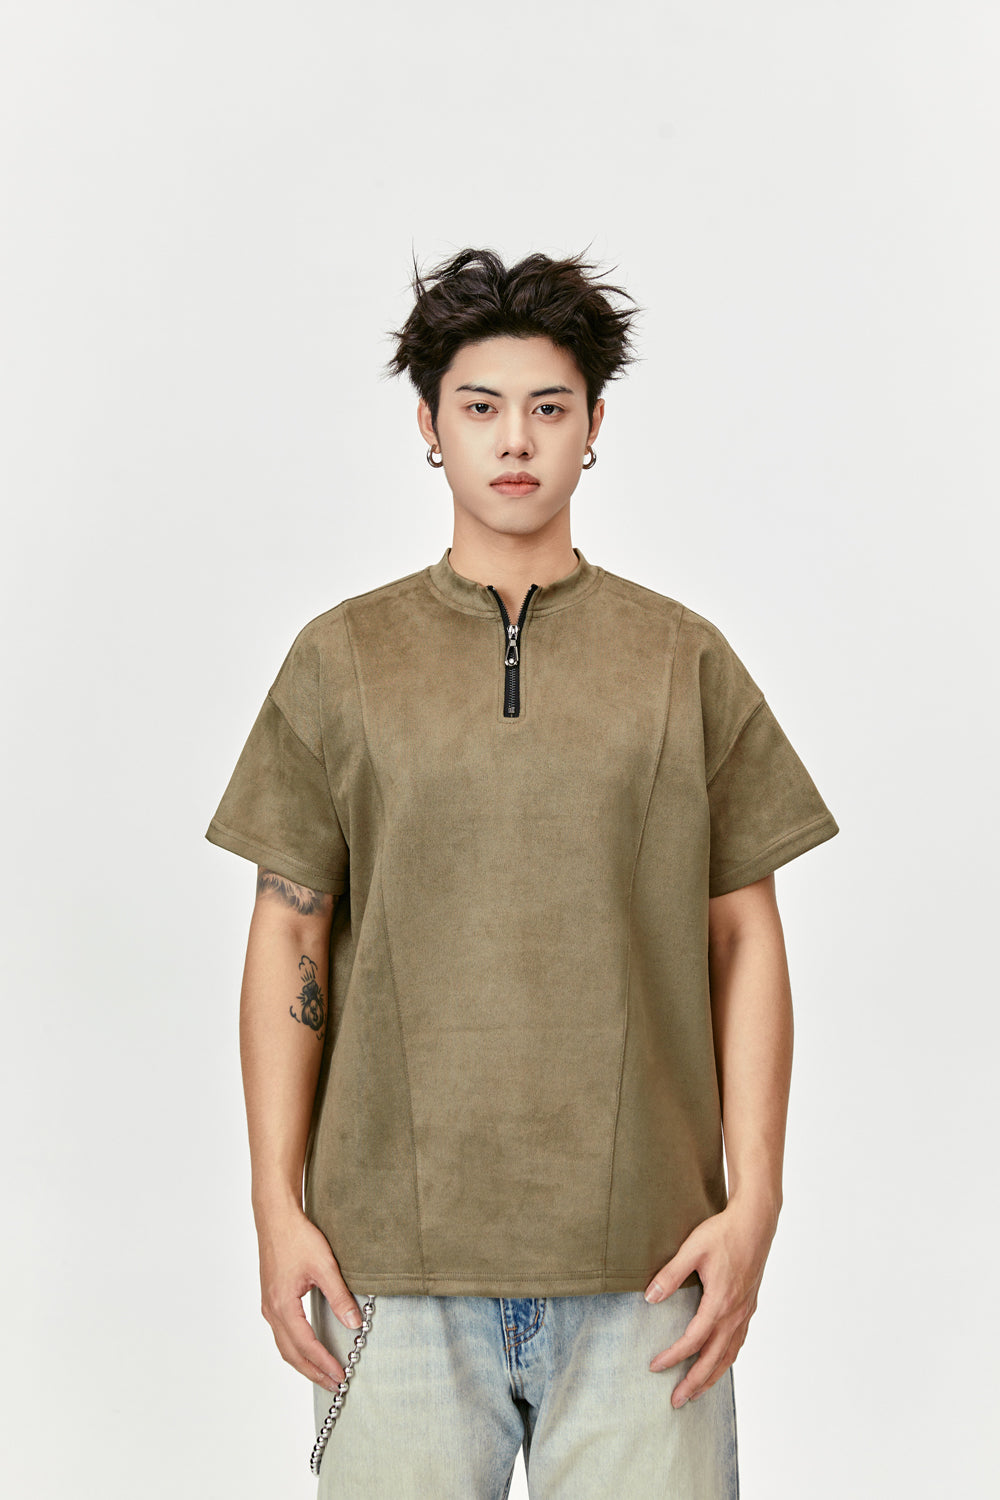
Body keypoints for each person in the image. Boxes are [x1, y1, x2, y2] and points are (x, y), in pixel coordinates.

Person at [205, 246, 840, 1498]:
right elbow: (289, 934)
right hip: (388, 1271)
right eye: (480, 406)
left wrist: (755, 1204)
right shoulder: (343, 659)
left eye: (549, 407)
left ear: (594, 427)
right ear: (429, 426)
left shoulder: (681, 661)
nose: (514, 440)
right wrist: (277, 1208)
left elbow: (744, 939)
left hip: (650, 1268)